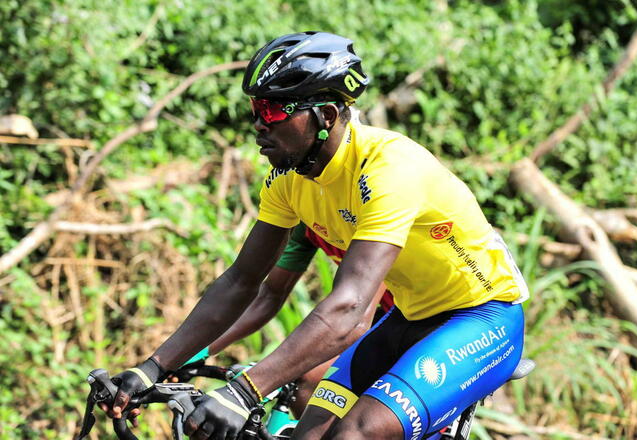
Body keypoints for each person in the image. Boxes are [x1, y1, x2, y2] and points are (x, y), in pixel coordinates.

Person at [100, 31, 529, 440]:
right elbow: (242, 282)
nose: (258, 126)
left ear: (324, 116)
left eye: (272, 112)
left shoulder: (389, 170)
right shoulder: (289, 180)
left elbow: (350, 305)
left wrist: (245, 391)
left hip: (480, 317)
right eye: (255, 112)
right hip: (409, 317)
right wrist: (153, 368)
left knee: (356, 433)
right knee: (309, 430)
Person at [173, 222, 393, 418]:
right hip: (374, 314)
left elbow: (355, 318)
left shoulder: (375, 214)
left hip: (407, 321)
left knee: (309, 380)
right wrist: (199, 351)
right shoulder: (307, 218)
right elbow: (269, 294)